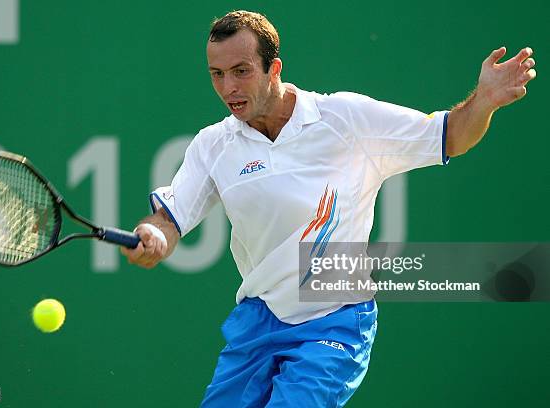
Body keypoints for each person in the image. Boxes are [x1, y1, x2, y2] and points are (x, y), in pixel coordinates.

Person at [121, 10, 536, 407]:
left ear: (274, 69)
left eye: (241, 71)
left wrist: (484, 101)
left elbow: (449, 136)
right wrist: (156, 235)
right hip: (258, 318)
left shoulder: (345, 118)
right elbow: (170, 219)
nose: (228, 87)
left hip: (334, 320)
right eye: (217, 74)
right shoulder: (213, 144)